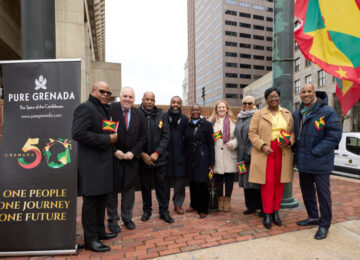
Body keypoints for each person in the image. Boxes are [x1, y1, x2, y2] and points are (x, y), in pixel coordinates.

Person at [72, 81, 118, 252]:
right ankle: (91, 240)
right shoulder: (85, 108)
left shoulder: (104, 109)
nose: (106, 94)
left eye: (108, 92)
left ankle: (100, 232)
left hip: (104, 165)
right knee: (91, 204)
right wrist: (107, 140)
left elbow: (101, 130)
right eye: (102, 91)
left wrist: (110, 136)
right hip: (92, 167)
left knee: (101, 201)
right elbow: (77, 133)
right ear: (93, 91)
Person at [293, 83, 341, 240]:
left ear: (315, 93)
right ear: (299, 94)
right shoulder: (297, 113)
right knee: (307, 192)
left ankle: (325, 224)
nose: (306, 94)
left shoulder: (327, 112)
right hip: (303, 163)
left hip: (320, 162)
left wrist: (316, 151)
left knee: (323, 195)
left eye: (309, 91)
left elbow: (334, 136)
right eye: (303, 92)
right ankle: (313, 217)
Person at [248, 87, 294, 230]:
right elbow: (252, 133)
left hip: (282, 151)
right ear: (266, 99)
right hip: (266, 152)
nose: (273, 99)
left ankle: (275, 212)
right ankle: (267, 214)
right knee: (267, 184)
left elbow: (291, 132)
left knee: (280, 184)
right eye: (270, 97)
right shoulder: (258, 114)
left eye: (276, 96)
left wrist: (289, 141)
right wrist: (262, 146)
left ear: (279, 97)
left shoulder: (287, 113)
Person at [106, 86, 147, 232]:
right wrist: (114, 151)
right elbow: (105, 134)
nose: (127, 99)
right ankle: (112, 219)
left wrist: (134, 152)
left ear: (134, 99)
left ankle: (127, 218)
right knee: (111, 191)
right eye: (125, 96)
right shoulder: (110, 111)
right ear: (120, 96)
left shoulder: (139, 114)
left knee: (129, 191)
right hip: (113, 159)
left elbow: (143, 137)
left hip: (131, 160)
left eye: (130, 97)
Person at [139, 92, 174, 223]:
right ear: (142, 100)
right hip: (143, 159)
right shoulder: (137, 114)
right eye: (147, 99)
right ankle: (147, 210)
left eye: (152, 100)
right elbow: (134, 136)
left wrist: (157, 153)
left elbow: (166, 136)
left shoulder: (162, 115)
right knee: (145, 187)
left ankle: (164, 211)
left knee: (162, 187)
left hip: (159, 159)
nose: (149, 102)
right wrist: (141, 153)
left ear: (154, 101)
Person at [184, 104, 215, 218]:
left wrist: (212, 162)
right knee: (192, 182)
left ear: (200, 111)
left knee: (202, 183)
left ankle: (203, 209)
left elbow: (211, 144)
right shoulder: (187, 125)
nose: (195, 112)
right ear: (190, 112)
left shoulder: (207, 125)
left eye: (197, 110)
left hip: (203, 158)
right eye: (193, 110)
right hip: (190, 158)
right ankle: (194, 204)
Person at [235, 96, 262, 216]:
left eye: (249, 103)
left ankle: (260, 206)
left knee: (255, 181)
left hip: (253, 154)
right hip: (241, 155)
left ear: (254, 104)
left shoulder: (257, 116)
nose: (247, 105)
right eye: (244, 103)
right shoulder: (240, 117)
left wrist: (250, 152)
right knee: (245, 182)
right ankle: (250, 206)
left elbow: (258, 135)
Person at [210, 100, 238, 212]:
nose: (221, 109)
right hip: (217, 154)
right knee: (218, 180)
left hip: (229, 153)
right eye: (219, 107)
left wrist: (233, 143)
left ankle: (227, 201)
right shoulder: (211, 122)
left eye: (223, 107)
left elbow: (238, 137)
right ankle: (220, 200)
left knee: (229, 179)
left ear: (227, 108)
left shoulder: (233, 121)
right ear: (216, 109)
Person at [165, 96, 188, 214]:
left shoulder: (184, 119)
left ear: (181, 105)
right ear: (170, 103)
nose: (175, 104)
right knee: (165, 183)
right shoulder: (164, 117)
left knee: (179, 182)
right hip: (166, 155)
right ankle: (164, 206)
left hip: (180, 155)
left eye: (178, 103)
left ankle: (178, 205)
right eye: (173, 102)